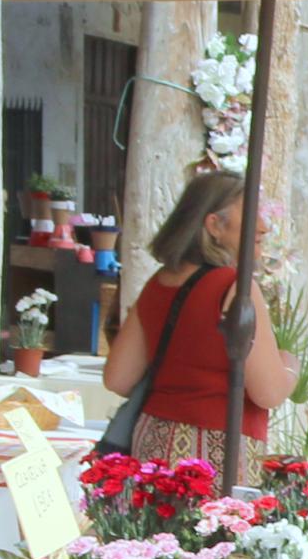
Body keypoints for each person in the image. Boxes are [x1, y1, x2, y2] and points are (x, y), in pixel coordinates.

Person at [106, 167, 290, 485]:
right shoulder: (236, 287)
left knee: (154, 536)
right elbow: (269, 392)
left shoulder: (159, 283)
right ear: (214, 224)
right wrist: (290, 366)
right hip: (216, 455)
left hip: (153, 446)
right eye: (251, 214)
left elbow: (118, 378)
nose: (263, 225)